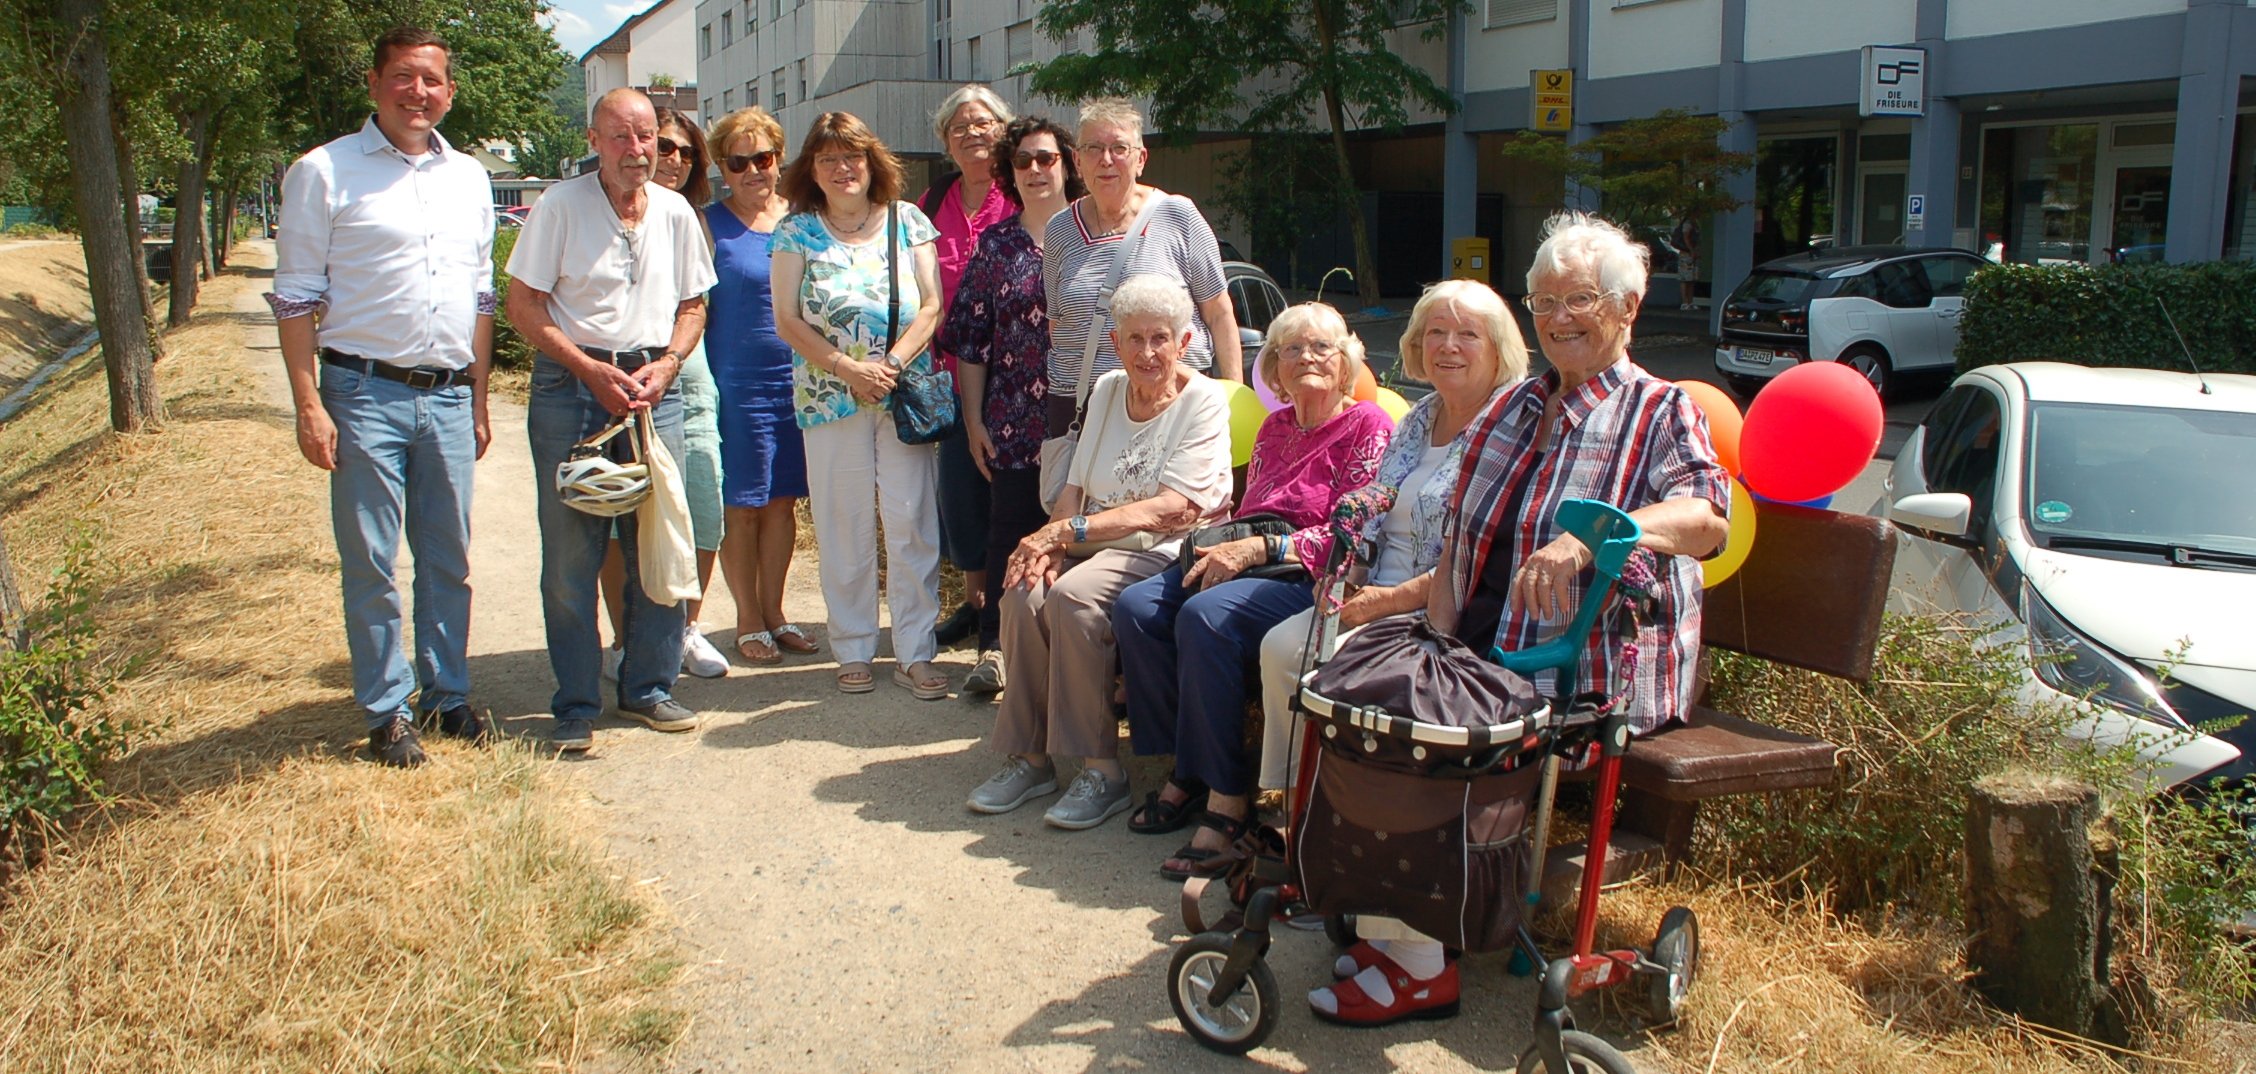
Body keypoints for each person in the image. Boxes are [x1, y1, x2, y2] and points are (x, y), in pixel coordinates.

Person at [1309, 212, 1730, 1027]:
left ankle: (1423, 963)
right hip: (1471, 641)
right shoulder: (1517, 404)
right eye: (1542, 301)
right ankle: (1388, 917)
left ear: (1628, 306)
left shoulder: (1657, 409)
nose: (1559, 317)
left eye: (1581, 299)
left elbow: (1707, 519)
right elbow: (1453, 519)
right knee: (1350, 684)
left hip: (1579, 663)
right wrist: (1415, 619)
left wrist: (1596, 537)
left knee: (1418, 724)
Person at [269, 26, 496, 767]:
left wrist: (481, 395)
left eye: (431, 80)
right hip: (363, 393)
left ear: (449, 91)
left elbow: (482, 298)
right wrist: (309, 403)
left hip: (449, 398)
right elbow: (296, 298)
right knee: (371, 560)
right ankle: (386, 711)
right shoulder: (323, 172)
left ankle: (447, 696)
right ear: (374, 84)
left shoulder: (470, 177)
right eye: (403, 77)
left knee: (448, 558)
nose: (418, 92)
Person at [1112, 303, 1392, 878]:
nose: (1306, 358)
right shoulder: (1274, 425)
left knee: (1206, 618)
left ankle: (1228, 799)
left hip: (1306, 571)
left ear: (1345, 365)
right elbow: (1252, 509)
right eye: (1291, 349)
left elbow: (1353, 531)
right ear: (1276, 369)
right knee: (1138, 608)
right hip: (1244, 552)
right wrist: (1234, 548)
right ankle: (1186, 768)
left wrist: (1259, 551)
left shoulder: (1368, 425)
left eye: (1321, 348)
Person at [968, 274, 1231, 830]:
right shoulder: (1108, 388)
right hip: (1090, 535)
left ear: (1185, 343)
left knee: (1074, 599)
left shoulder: (1203, 401)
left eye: (1161, 338)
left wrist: (1066, 536)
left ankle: (1102, 771)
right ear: (1115, 343)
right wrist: (1051, 541)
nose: (1148, 352)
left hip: (1162, 546)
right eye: (1134, 339)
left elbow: (1173, 510)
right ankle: (1031, 758)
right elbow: (1075, 486)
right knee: (1022, 592)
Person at [1253, 279, 1526, 798]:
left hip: (1437, 608)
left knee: (1323, 661)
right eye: (1435, 332)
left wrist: (1382, 603)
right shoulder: (1419, 419)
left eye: (1467, 334)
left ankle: (1340, 806)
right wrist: (1346, 576)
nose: (1447, 345)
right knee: (1281, 645)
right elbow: (1371, 513)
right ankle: (1290, 801)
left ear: (1498, 350)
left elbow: (1475, 558)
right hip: (1372, 588)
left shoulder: (1507, 426)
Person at [507, 88, 718, 752]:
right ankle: (574, 702)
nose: (637, 150)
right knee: (573, 556)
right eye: (621, 137)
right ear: (594, 140)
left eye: (647, 136)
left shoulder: (678, 211)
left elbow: (693, 305)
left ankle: (649, 686)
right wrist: (589, 370)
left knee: (658, 543)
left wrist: (670, 363)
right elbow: (523, 305)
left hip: (657, 392)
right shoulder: (560, 207)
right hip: (575, 391)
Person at [769, 111, 949, 699]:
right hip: (829, 397)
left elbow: (931, 306)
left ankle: (916, 651)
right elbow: (788, 318)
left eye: (853, 156)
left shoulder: (909, 221)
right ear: (811, 171)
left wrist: (889, 367)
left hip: (901, 395)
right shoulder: (796, 232)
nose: (843, 168)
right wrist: (848, 369)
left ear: (873, 162)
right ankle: (852, 647)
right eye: (828, 159)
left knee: (911, 523)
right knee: (842, 524)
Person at [933, 114, 1083, 696]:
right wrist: (972, 420)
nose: (1036, 169)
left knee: (1082, 537)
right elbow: (970, 341)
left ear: (1066, 164)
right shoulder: (997, 245)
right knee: (1009, 535)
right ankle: (995, 648)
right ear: (1009, 173)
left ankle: (1071, 657)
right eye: (1023, 161)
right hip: (1016, 418)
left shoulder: (1095, 234)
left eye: (1046, 158)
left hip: (1093, 418)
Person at [598, 105, 732, 680]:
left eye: (682, 150)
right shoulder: (594, 208)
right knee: (614, 511)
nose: (669, 158)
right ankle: (627, 639)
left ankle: (685, 629)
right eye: (663, 145)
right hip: (618, 376)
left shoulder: (688, 216)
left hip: (689, 379)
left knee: (700, 503)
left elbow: (698, 306)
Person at [1042, 97, 1241, 448]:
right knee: (1080, 503)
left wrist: (1233, 398)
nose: (1106, 160)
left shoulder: (1179, 216)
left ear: (1141, 158)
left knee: (1166, 504)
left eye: (1119, 148)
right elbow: (1057, 324)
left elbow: (1219, 312)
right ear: (1077, 160)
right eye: (1093, 148)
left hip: (1169, 402)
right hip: (1079, 408)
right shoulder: (1059, 230)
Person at [704, 105, 816, 667]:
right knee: (742, 503)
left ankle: (776, 612)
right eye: (739, 161)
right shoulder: (708, 224)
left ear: (779, 159)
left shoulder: (801, 219)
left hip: (796, 379)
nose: (753, 171)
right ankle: (747, 617)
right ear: (723, 167)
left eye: (764, 158)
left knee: (783, 502)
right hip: (737, 382)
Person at [921, 85, 1017, 650]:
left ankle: (1010, 613)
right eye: (959, 127)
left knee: (1011, 490)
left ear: (1003, 132)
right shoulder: (933, 202)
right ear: (945, 143)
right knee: (959, 492)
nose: (972, 134)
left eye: (983, 124)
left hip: (1019, 371)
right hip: (951, 371)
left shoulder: (1024, 190)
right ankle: (975, 601)